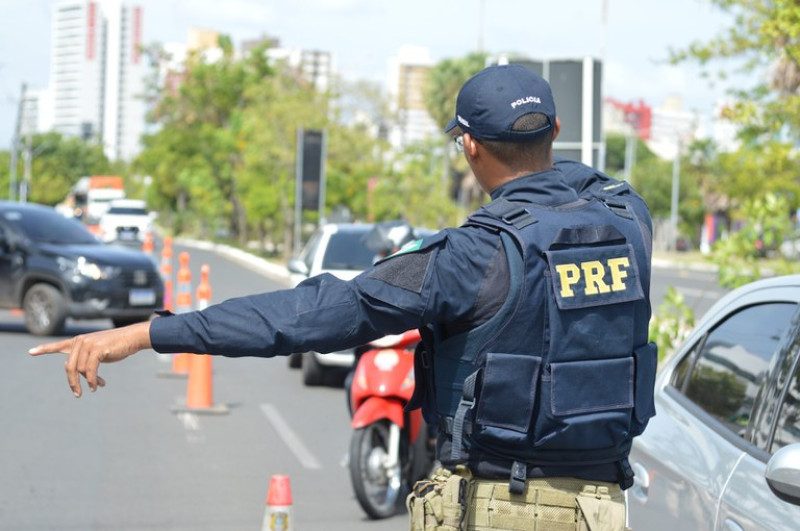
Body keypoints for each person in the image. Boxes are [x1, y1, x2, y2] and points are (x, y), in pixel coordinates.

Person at [30, 64, 655, 530]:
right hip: (601, 510)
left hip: (500, 509)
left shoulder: (472, 256)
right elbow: (578, 194)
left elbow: (305, 316)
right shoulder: (631, 222)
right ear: (557, 132)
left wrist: (144, 333)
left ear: (468, 145)